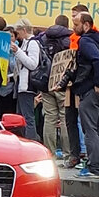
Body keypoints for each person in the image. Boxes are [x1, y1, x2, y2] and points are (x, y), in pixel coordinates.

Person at [58, 11, 99, 180]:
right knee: (96, 129)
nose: (73, 28)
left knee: (89, 129)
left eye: (76, 24)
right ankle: (94, 164)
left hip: (90, 90)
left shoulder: (85, 41)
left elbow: (97, 61)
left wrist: (98, 83)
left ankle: (93, 167)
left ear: (86, 25)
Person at [37, 16, 72, 158]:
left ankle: (49, 152)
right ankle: (67, 152)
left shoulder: (43, 38)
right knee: (65, 118)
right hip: (62, 83)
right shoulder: (68, 40)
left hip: (46, 83)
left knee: (49, 118)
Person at [11, 18, 41, 140]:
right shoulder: (26, 43)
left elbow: (33, 64)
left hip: (28, 86)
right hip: (22, 85)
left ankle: (30, 142)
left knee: (28, 118)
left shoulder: (33, 43)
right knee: (21, 118)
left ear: (24, 30)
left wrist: (18, 52)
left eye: (18, 33)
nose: (17, 36)